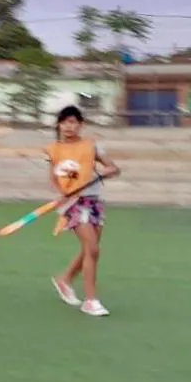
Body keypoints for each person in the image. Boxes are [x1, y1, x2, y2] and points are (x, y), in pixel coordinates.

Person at [47, 105, 120, 317]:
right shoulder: (53, 150)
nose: (68, 127)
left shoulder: (91, 146)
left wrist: (108, 172)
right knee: (93, 249)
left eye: (73, 122)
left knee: (90, 249)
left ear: (81, 125)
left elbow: (113, 168)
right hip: (73, 203)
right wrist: (63, 194)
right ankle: (90, 300)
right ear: (59, 125)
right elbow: (53, 177)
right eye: (64, 122)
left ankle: (65, 280)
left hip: (94, 201)